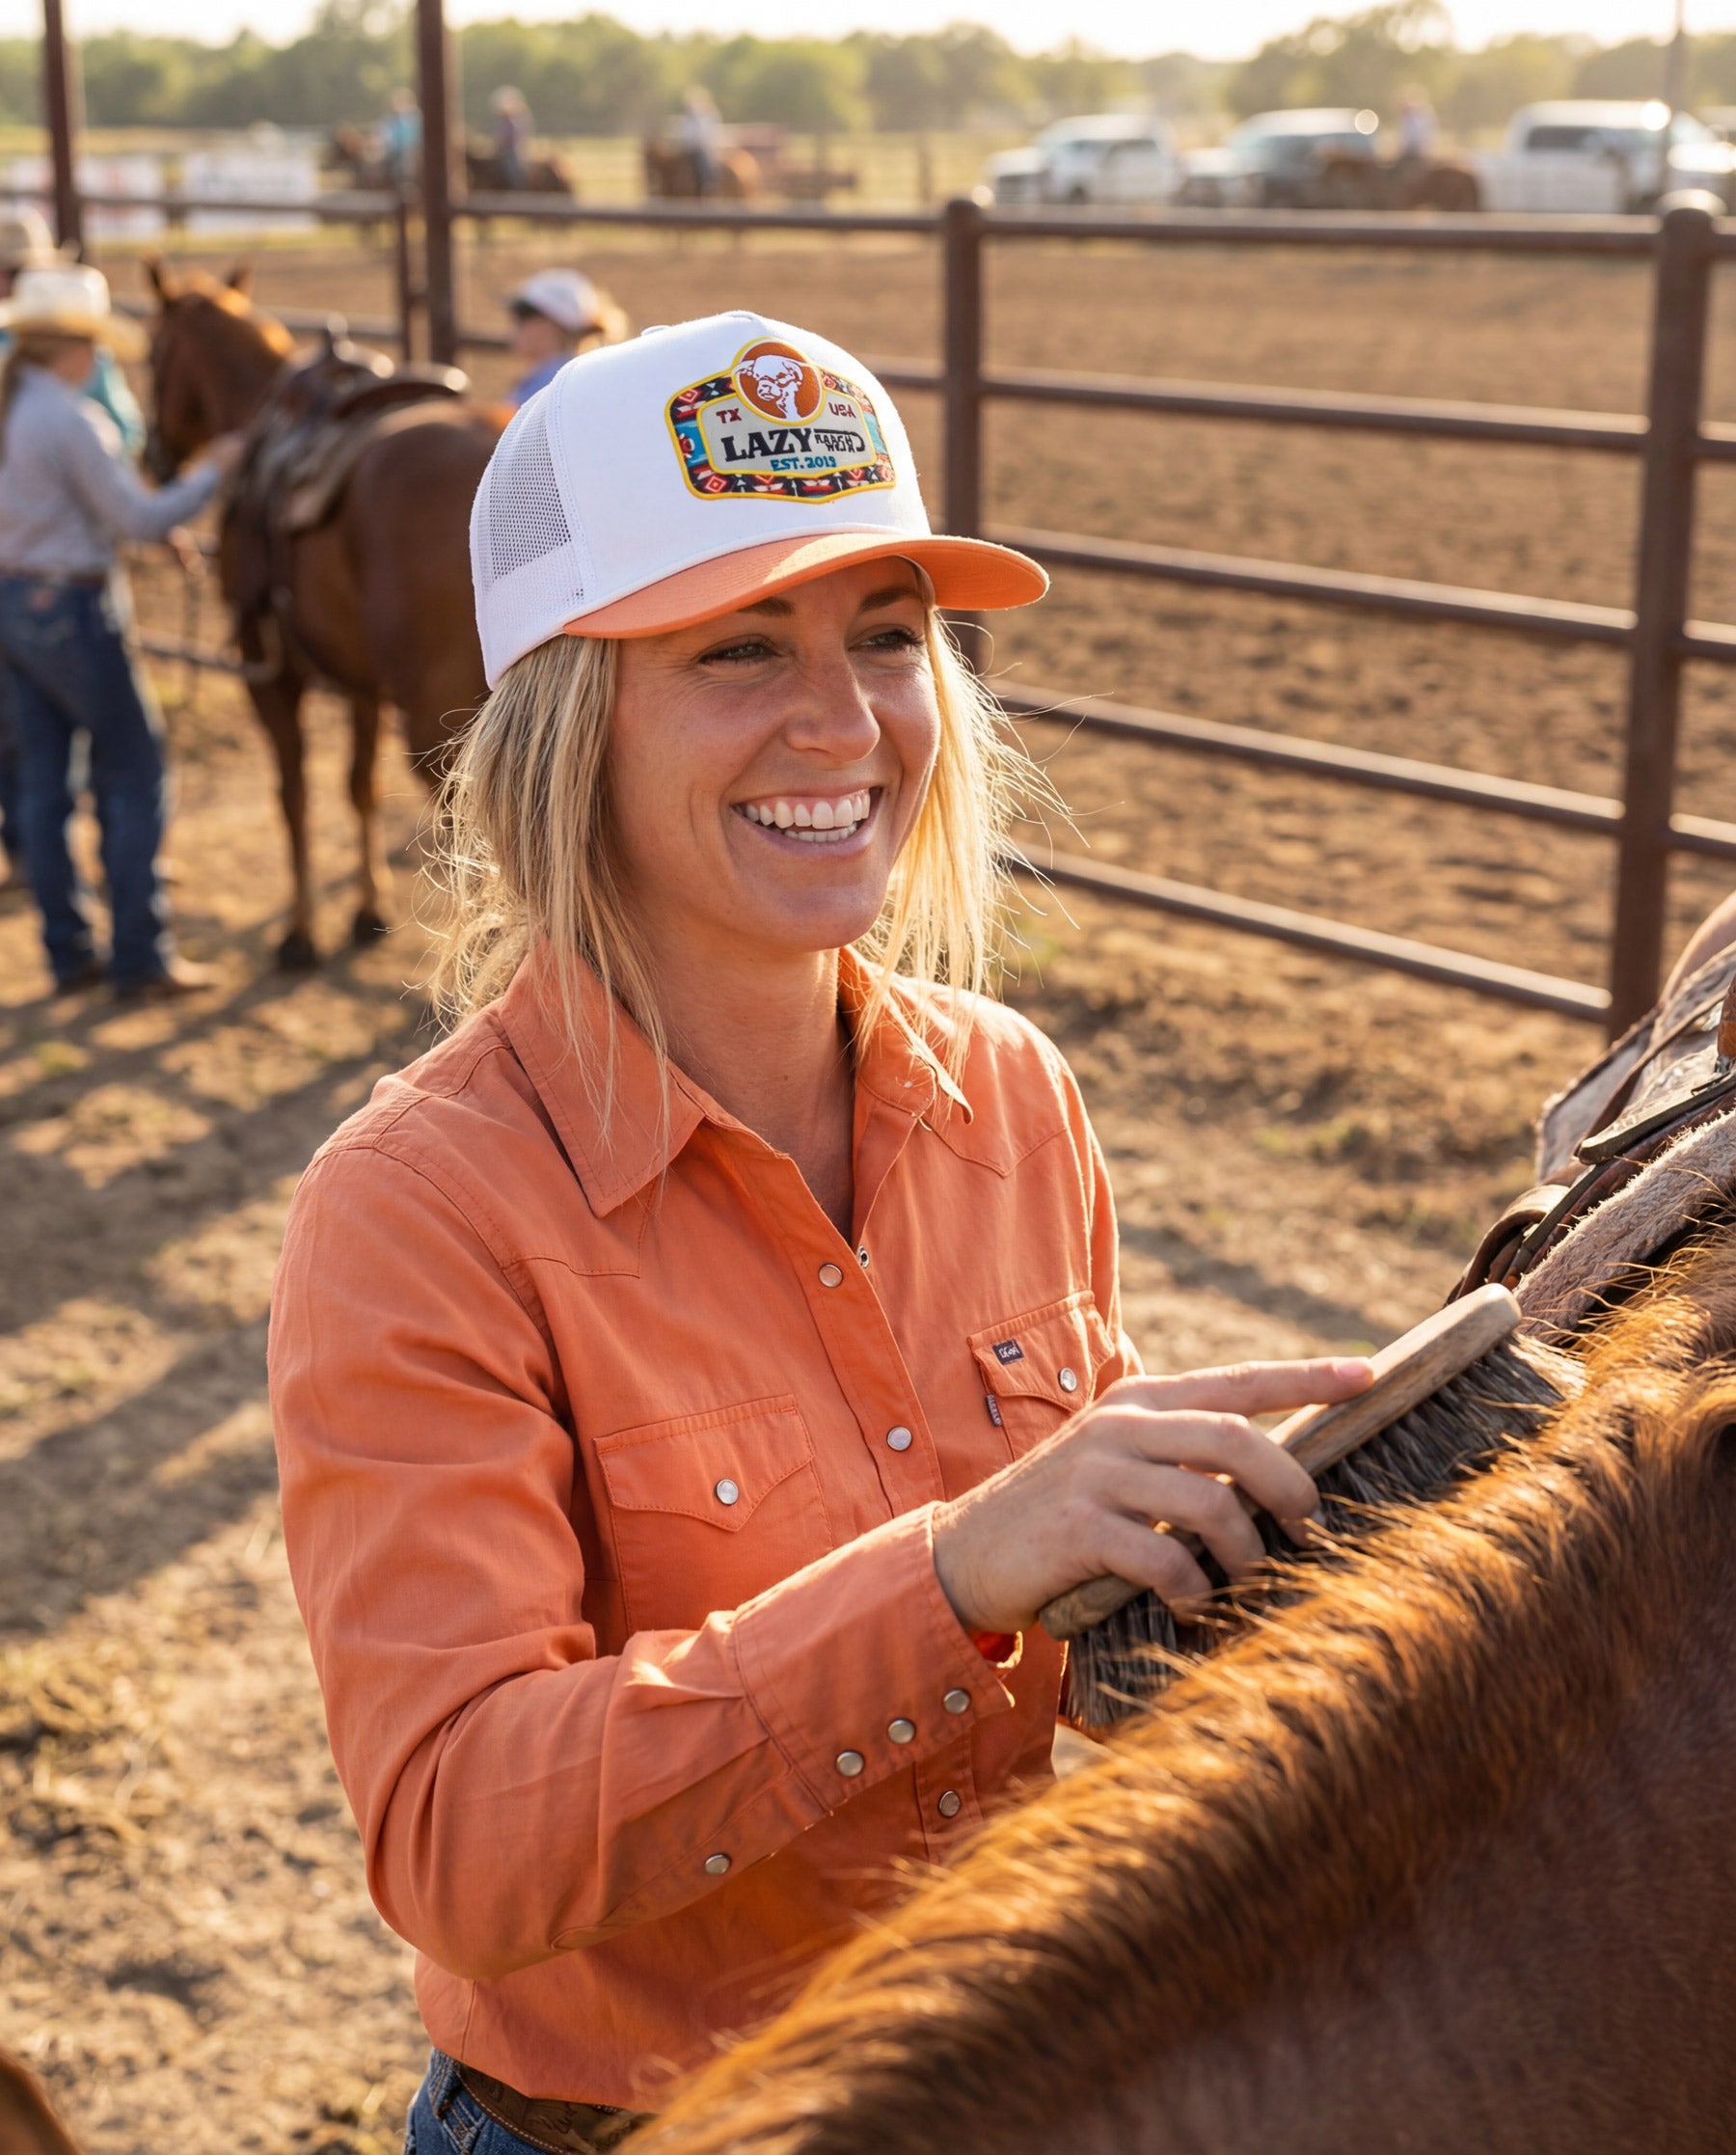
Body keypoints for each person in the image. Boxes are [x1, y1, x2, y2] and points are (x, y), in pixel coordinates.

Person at [269, 310, 1371, 2148]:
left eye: (888, 637)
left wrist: (1243, 1535)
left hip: (1021, 2084)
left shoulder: (1011, 1092)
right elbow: (459, 1839)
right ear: (567, 712)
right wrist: (953, 1573)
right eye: (738, 651)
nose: (842, 722)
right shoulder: (417, 1208)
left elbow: (1075, 1645)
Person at [0, 264, 242, 996]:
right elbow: (136, 520)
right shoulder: (73, 420)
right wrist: (213, 474)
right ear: (74, 345)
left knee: (45, 783)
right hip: (73, 610)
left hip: (14, 601)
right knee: (135, 771)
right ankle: (140, 954)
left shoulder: (17, 406)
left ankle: (68, 952)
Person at [0, 210, 147, 888]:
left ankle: (54, 907)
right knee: (129, 762)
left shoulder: (21, 390)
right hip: (70, 583)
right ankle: (134, 933)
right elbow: (123, 458)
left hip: (14, 577)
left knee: (36, 762)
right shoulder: (68, 400)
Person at [502, 267, 625, 405]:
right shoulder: (564, 375)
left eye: (525, 313)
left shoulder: (556, 381)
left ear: (557, 324)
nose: (517, 323)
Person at [675, 84, 724, 197]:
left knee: (703, 161)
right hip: (687, 149)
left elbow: (708, 134)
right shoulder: (686, 118)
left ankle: (708, 184)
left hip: (701, 148)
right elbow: (682, 132)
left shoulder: (707, 116)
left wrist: (697, 143)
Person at [491, 85, 532, 190]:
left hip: (511, 151)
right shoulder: (503, 122)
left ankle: (516, 187)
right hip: (502, 151)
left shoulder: (514, 122)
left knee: (511, 167)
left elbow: (512, 139)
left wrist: (502, 145)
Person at [381, 87, 421, 189]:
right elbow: (385, 136)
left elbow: (413, 138)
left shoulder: (413, 118)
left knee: (406, 162)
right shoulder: (390, 119)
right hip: (395, 152)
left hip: (411, 151)